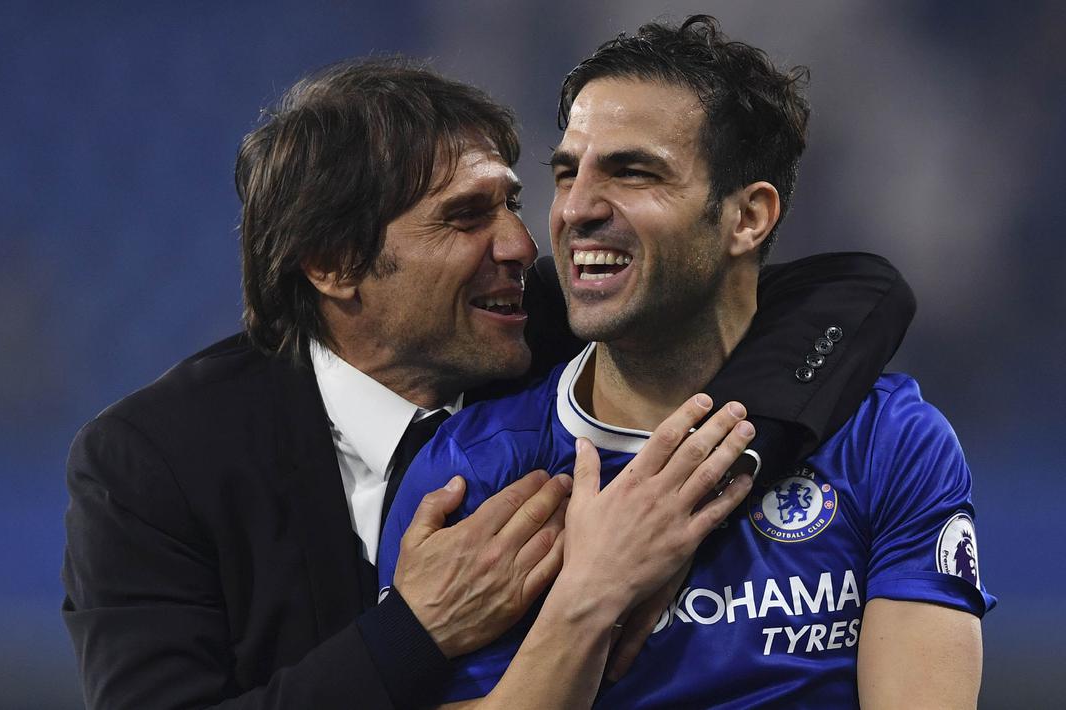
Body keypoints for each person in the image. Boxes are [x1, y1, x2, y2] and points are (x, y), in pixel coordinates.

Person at [62, 57, 916, 709]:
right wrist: (413, 630)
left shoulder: (542, 329)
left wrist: (709, 480)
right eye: (467, 217)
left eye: (510, 202)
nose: (520, 245)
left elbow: (854, 293)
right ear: (334, 264)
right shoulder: (157, 461)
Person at [379, 16, 994, 709]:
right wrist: (590, 597)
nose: (575, 209)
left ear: (747, 218)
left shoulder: (888, 442)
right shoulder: (470, 469)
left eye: (633, 173)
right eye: (567, 173)